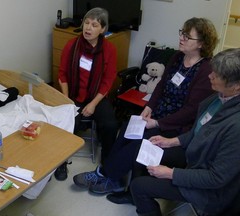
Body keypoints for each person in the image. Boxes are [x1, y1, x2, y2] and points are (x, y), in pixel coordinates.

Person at [72, 17, 218, 198]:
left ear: (201, 44)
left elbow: (190, 112)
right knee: (126, 127)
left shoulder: (205, 70)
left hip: (175, 126)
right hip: (157, 114)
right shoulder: (178, 57)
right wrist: (149, 106)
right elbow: (161, 85)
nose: (181, 38)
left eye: (188, 37)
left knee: (140, 142)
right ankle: (115, 180)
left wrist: (158, 123)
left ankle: (105, 175)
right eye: (182, 33)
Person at [130, 48, 240, 216]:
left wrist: (171, 173)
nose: (210, 76)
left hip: (209, 189)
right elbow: (199, 131)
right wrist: (170, 141)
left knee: (138, 187)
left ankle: (141, 194)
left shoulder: (236, 126)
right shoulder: (219, 97)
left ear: (236, 86)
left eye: (216, 75)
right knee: (143, 152)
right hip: (196, 158)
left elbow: (216, 178)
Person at [55, 8, 118, 181]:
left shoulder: (109, 49)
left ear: (103, 29)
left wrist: (93, 104)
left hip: (96, 97)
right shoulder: (72, 45)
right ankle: (61, 163)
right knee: (67, 123)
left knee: (111, 125)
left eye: (94, 25)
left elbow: (108, 80)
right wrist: (67, 99)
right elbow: (62, 74)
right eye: (86, 23)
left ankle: (107, 163)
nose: (88, 28)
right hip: (73, 95)